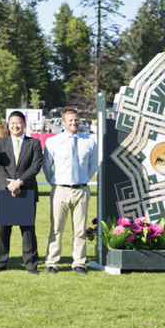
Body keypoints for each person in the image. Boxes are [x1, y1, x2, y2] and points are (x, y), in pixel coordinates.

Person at [42, 107, 98, 275]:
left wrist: (83, 179)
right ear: (63, 122)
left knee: (80, 230)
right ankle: (52, 263)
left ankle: (79, 262)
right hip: (60, 190)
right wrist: (56, 182)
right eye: (70, 120)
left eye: (76, 119)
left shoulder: (89, 141)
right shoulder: (53, 141)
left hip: (81, 190)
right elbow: (46, 165)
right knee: (56, 228)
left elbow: (93, 165)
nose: (74, 122)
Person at [0, 111, 43, 274]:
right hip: (5, 191)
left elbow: (36, 166)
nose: (16, 125)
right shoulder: (0, 143)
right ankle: (0, 263)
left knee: (28, 230)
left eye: (19, 122)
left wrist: (19, 182)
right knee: (3, 230)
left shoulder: (34, 143)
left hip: (26, 191)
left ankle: (31, 265)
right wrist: (9, 184)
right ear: (8, 125)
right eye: (12, 123)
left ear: (24, 124)